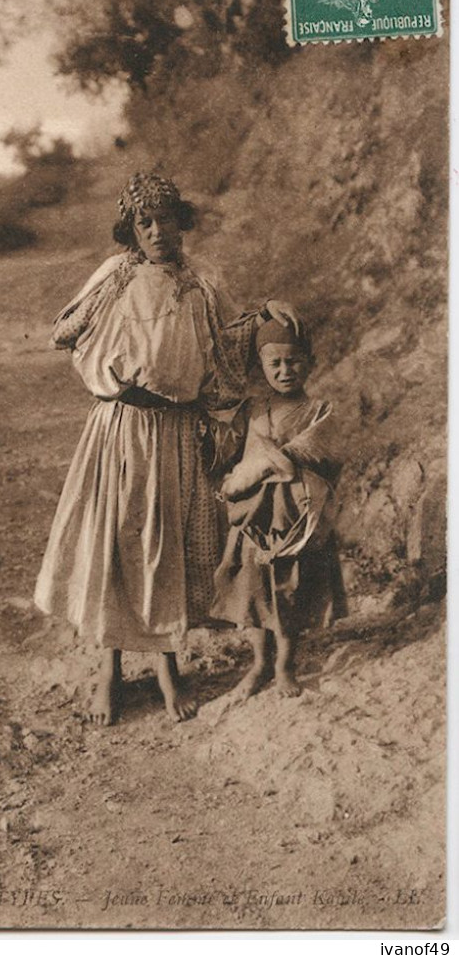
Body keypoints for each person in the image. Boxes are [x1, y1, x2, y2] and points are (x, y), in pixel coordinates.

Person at [34, 172, 297, 725]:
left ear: (182, 221)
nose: (157, 231)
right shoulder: (115, 276)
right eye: (144, 222)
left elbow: (230, 348)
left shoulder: (202, 282)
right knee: (116, 544)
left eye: (166, 219)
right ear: (130, 230)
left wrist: (269, 316)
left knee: (165, 550)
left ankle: (166, 669)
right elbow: (66, 333)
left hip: (178, 433)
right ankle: (110, 672)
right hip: (123, 427)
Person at [209, 317, 347, 702]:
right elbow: (228, 453)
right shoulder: (252, 410)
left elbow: (327, 456)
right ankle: (259, 664)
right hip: (255, 524)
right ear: (262, 367)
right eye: (275, 364)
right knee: (254, 595)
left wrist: (281, 461)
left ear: (311, 362)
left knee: (290, 596)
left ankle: (285, 665)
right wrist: (247, 470)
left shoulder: (320, 410)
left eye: (295, 361)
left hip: (296, 523)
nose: (286, 370)